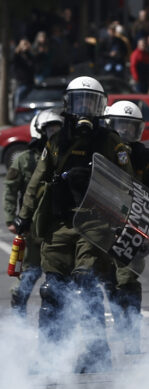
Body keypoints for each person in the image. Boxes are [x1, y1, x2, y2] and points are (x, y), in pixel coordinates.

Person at [12, 76, 133, 372]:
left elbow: (127, 183)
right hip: (59, 223)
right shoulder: (55, 143)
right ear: (69, 105)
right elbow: (38, 180)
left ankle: (96, 353)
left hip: (94, 223)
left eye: (90, 103)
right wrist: (24, 216)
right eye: (79, 102)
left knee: (87, 283)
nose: (84, 110)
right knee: (52, 290)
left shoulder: (110, 142)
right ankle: (50, 356)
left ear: (101, 107)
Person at [103, 101, 149, 353]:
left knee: (127, 280)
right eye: (120, 126)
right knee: (106, 281)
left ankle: (131, 336)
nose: (125, 132)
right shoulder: (99, 150)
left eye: (131, 127)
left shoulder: (145, 158)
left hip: (132, 228)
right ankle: (118, 327)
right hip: (101, 227)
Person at [4, 110, 63, 316]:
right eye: (49, 129)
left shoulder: (63, 157)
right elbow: (11, 189)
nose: (53, 133)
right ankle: (18, 314)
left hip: (57, 225)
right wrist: (12, 218)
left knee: (58, 274)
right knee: (30, 272)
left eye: (57, 129)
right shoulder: (24, 160)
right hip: (31, 226)